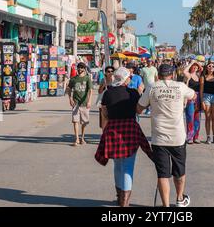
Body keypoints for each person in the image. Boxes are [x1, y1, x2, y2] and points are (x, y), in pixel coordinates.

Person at [137, 64, 195, 208]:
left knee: (163, 174)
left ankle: (165, 206)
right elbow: (193, 95)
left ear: (158, 75)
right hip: (178, 137)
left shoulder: (152, 87)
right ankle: (180, 198)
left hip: (159, 138)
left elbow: (139, 109)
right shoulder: (180, 86)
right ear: (172, 74)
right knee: (179, 171)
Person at [95, 68, 153, 208]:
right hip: (130, 129)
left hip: (113, 130)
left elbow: (105, 113)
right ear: (125, 78)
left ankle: (119, 197)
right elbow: (139, 109)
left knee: (117, 165)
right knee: (127, 166)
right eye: (129, 77)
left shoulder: (108, 93)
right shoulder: (132, 93)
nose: (130, 79)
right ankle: (124, 203)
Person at [67, 62, 93, 147]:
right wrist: (70, 99)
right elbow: (69, 89)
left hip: (85, 103)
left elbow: (90, 90)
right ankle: (77, 139)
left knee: (84, 122)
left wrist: (89, 101)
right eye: (78, 67)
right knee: (75, 121)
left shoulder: (87, 78)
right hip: (76, 103)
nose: (79, 69)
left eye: (81, 68)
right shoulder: (73, 79)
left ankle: (83, 137)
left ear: (84, 69)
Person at [200, 62, 214, 145]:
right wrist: (202, 101)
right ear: (206, 67)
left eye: (213, 66)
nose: (211, 67)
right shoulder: (203, 77)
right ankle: (208, 137)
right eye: (209, 66)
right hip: (206, 97)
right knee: (208, 117)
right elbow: (201, 90)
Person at [183, 61, 203, 144]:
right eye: (193, 67)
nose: (195, 68)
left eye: (196, 67)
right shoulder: (188, 75)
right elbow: (184, 71)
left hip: (198, 98)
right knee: (190, 117)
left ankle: (196, 136)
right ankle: (190, 137)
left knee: (197, 118)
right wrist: (191, 63)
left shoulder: (199, 76)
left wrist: (197, 63)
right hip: (190, 98)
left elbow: (202, 68)